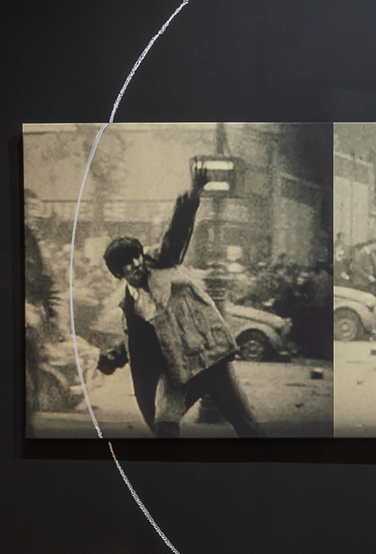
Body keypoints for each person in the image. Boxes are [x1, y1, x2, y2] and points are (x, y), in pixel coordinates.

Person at [95, 161, 264, 437]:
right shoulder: (131, 304)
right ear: (118, 273)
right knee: (165, 426)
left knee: (244, 422)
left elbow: (176, 235)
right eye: (128, 264)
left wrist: (192, 197)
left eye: (137, 257)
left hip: (210, 357)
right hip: (177, 370)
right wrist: (115, 356)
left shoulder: (163, 262)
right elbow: (140, 342)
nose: (137, 265)